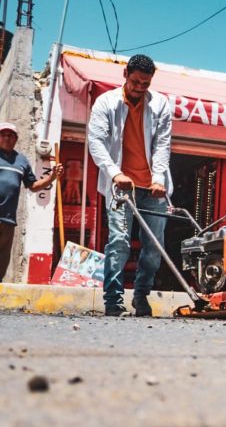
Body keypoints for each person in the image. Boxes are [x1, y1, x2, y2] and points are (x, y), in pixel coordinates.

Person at [87, 54, 173, 317]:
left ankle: (141, 296)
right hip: (120, 187)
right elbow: (96, 141)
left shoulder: (160, 104)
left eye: (145, 84)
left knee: (154, 246)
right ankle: (113, 299)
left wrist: (158, 178)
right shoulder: (106, 102)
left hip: (153, 188)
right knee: (119, 241)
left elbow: (162, 145)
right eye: (135, 81)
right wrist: (115, 173)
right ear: (125, 74)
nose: (139, 87)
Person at [0, 122, 64, 282]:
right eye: (3, 134)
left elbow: (33, 186)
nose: (7, 138)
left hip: (8, 221)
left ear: (16, 139)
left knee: (1, 262)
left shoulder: (21, 160)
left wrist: (52, 177)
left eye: (11, 135)